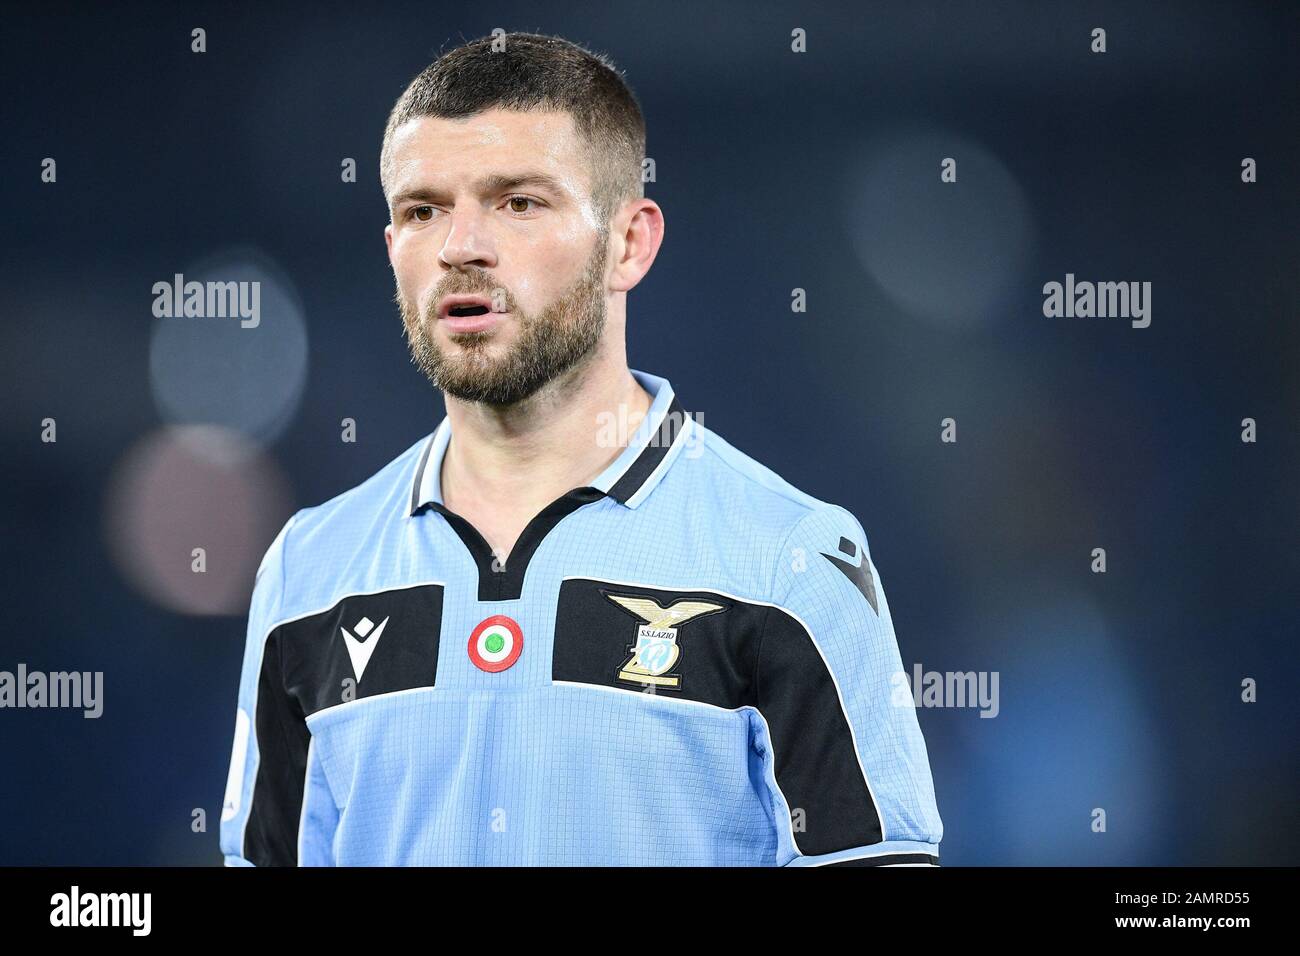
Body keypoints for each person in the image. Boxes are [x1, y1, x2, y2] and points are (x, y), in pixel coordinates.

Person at [220, 31, 942, 866]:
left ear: (628, 244)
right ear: (394, 251)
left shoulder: (787, 559)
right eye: (423, 211)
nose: (462, 246)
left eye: (518, 203)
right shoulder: (310, 569)